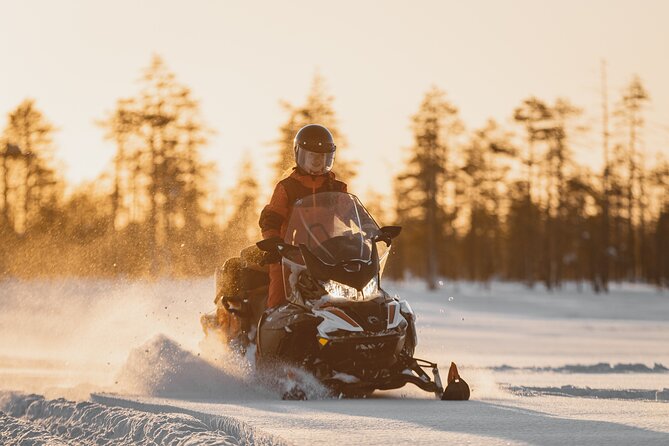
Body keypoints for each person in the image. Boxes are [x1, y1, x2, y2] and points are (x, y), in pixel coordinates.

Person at [259, 124, 347, 308]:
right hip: (291, 255)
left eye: (322, 157)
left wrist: (371, 233)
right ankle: (272, 326)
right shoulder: (288, 187)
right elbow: (270, 219)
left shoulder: (336, 188)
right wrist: (274, 244)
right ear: (300, 156)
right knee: (280, 295)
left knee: (349, 293)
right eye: (312, 157)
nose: (317, 162)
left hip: (327, 256)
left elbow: (351, 215)